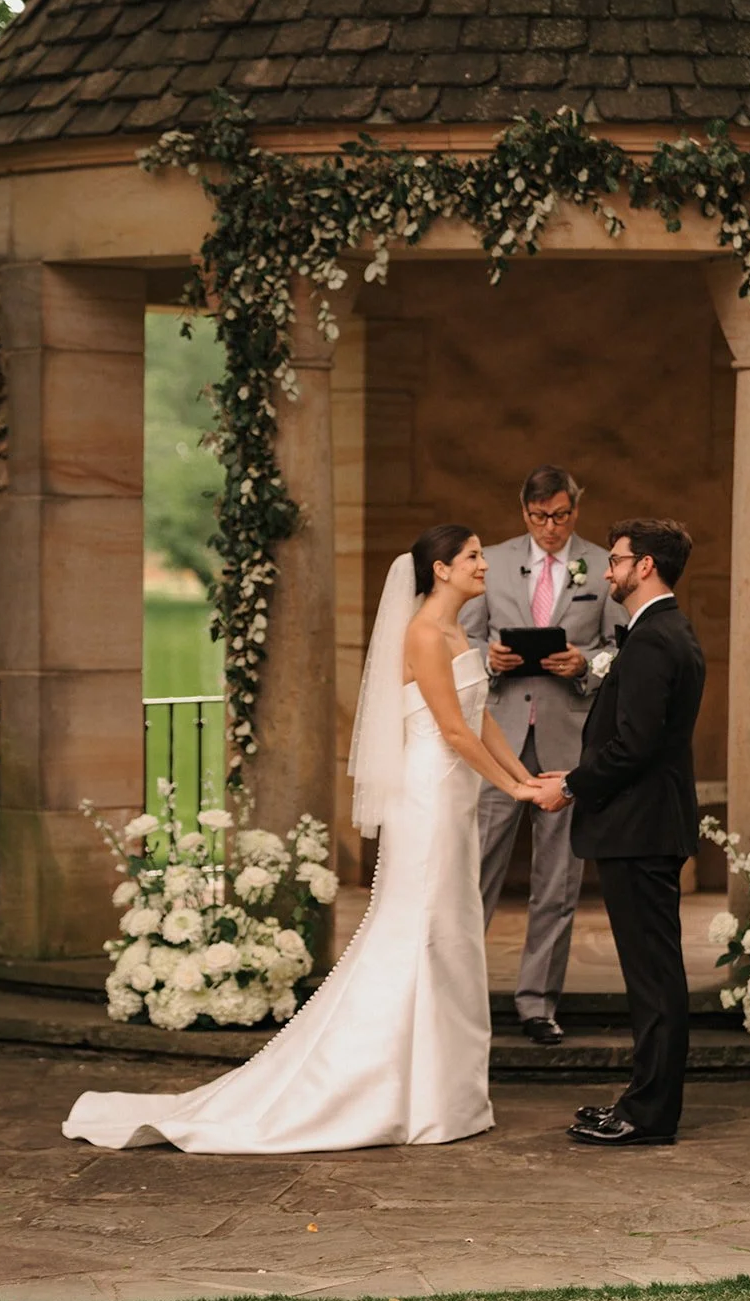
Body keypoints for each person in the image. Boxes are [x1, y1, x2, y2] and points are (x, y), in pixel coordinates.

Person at [62, 525, 542, 1154]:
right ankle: (400, 1091)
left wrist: (527, 779)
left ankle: (447, 1093)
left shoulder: (460, 634)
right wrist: (516, 793)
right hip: (428, 797)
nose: (485, 563)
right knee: (421, 929)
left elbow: (481, 716)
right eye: (473, 555)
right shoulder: (424, 633)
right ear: (441, 571)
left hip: (455, 797)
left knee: (452, 930)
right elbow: (452, 731)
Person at [533, 519, 705, 1146]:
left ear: (647, 566)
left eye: (616, 560)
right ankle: (641, 1100)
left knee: (654, 979)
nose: (607, 571)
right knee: (649, 977)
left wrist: (572, 784)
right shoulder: (658, 634)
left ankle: (650, 1114)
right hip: (643, 825)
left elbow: (635, 746)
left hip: (642, 827)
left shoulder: (657, 640)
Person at [461, 465, 622, 1046]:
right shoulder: (493, 561)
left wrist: (585, 666)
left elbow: (619, 650)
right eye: (538, 517)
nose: (550, 528)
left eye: (560, 516)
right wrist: (489, 659)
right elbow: (463, 639)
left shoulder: (604, 566)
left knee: (557, 880)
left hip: (567, 739)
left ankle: (537, 1004)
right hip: (498, 736)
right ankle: (458, 997)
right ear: (523, 511)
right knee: (475, 868)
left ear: (575, 509)